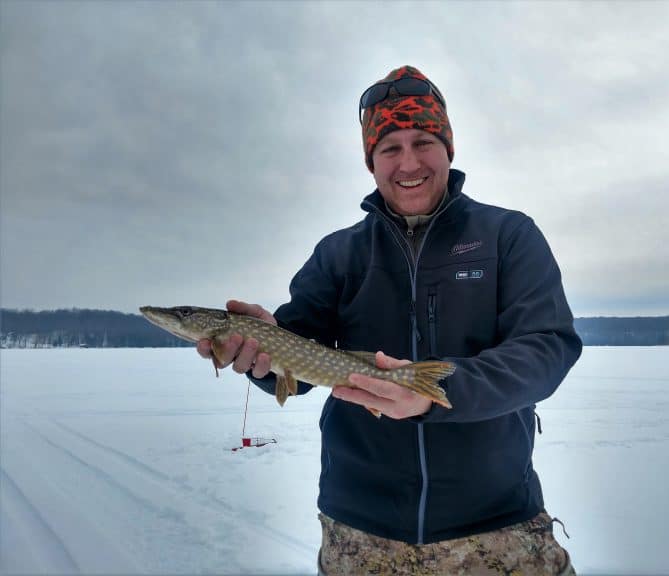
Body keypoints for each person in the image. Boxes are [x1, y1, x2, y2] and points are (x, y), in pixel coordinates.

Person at [197, 65, 582, 575]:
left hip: (498, 525)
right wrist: (262, 352)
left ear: (448, 149)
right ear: (371, 162)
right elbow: (297, 361)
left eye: (423, 142)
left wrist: (435, 392)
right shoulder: (339, 254)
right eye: (389, 148)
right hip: (362, 532)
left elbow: (546, 348)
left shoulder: (507, 236)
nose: (409, 163)